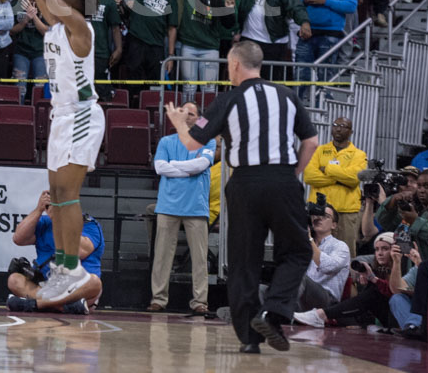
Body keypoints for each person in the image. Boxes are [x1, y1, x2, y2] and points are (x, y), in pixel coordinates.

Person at [166, 40, 319, 354]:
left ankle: (250, 339)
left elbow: (193, 143)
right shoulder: (288, 96)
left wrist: (179, 122)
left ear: (234, 65)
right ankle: (273, 311)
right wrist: (292, 175)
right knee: (298, 252)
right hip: (282, 178)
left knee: (243, 262)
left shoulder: (228, 99)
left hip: (245, 183)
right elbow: (312, 141)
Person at [0, 0, 102, 305]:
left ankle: (73, 268)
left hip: (82, 113)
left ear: (73, 1)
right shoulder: (57, 26)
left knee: (68, 194)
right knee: (56, 197)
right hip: (61, 114)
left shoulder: (79, 26)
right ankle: (61, 267)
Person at [149, 101, 216, 316]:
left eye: (192, 113)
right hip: (168, 205)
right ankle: (158, 299)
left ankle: (199, 301)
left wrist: (173, 166)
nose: (187, 116)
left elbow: (201, 165)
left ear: (199, 119)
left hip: (196, 207)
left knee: (199, 258)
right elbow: (159, 167)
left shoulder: (208, 141)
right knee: (161, 256)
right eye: (183, 112)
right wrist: (187, 169)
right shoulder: (166, 141)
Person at [6, 190, 104, 313]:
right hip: (46, 285)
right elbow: (18, 238)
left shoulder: (89, 225)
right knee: (14, 280)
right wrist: (38, 210)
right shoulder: (44, 222)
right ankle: (62, 307)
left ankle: (35, 304)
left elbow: (78, 251)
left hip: (76, 288)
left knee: (95, 283)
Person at [303, 117, 367, 256]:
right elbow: (309, 176)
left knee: (346, 253)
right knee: (314, 251)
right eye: (336, 125)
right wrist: (339, 179)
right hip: (319, 211)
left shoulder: (358, 154)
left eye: (343, 126)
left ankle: (348, 279)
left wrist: (327, 169)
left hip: (346, 212)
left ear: (351, 131)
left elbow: (354, 179)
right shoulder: (319, 151)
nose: (338, 128)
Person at [298, 201, 350, 310]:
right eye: (316, 215)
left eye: (325, 216)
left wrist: (308, 239)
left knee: (299, 278)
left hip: (327, 300)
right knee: (261, 289)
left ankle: (281, 312)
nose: (319, 218)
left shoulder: (340, 246)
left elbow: (328, 267)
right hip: (301, 296)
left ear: (333, 225)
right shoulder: (302, 245)